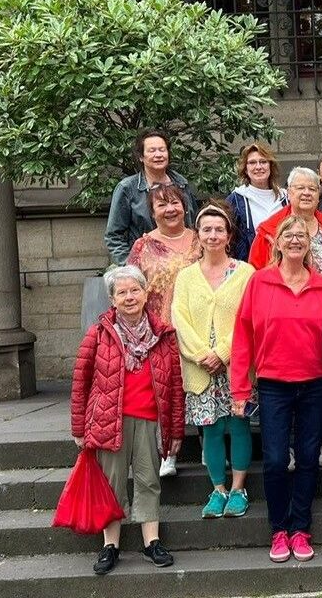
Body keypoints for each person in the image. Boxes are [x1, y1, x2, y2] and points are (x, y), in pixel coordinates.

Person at [231, 215, 322, 564]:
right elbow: (243, 336)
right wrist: (239, 389)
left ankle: (301, 528)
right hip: (273, 384)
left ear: (309, 243)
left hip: (315, 383)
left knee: (307, 457)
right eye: (288, 234)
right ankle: (279, 529)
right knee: (275, 460)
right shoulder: (260, 282)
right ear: (276, 242)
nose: (294, 240)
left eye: (301, 235)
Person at [71, 265, 182, 574]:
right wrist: (79, 427)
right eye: (122, 292)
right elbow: (80, 382)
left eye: (135, 290)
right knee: (112, 485)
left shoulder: (164, 335)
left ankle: (151, 542)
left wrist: (175, 430)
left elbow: (175, 386)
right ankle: (110, 546)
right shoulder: (98, 334)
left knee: (149, 481)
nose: (129, 297)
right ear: (112, 299)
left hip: (149, 420)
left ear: (146, 294)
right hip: (109, 421)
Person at [171, 203, 256, 518]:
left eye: (219, 229)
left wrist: (221, 352)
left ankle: (238, 489)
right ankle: (218, 489)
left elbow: (249, 317)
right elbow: (179, 318)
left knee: (238, 424)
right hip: (199, 366)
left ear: (229, 235)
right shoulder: (186, 277)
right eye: (206, 229)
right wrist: (200, 354)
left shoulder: (245, 273)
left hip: (235, 363)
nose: (213, 235)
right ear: (198, 234)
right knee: (211, 428)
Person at [125, 184, 202, 373]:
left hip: (199, 332)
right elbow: (130, 290)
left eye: (175, 202)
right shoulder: (142, 247)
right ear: (152, 213)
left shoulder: (202, 241)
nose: (170, 209)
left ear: (184, 207)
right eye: (161, 205)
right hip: (159, 335)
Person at [104, 128, 198, 265]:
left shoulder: (181, 184)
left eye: (162, 150)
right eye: (152, 150)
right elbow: (114, 236)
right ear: (141, 157)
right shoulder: (127, 188)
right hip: (147, 267)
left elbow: (194, 224)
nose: (158, 155)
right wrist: (132, 267)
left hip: (187, 264)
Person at [251, 167, 322, 285]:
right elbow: (255, 275)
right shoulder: (269, 230)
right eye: (300, 188)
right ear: (289, 193)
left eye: (312, 189)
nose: (307, 193)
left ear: (318, 196)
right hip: (283, 295)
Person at [226, 143, 287, 261]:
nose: (258, 167)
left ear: (270, 166)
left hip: (285, 266)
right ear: (245, 169)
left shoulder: (286, 198)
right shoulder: (236, 200)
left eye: (263, 162)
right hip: (251, 267)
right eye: (252, 162)